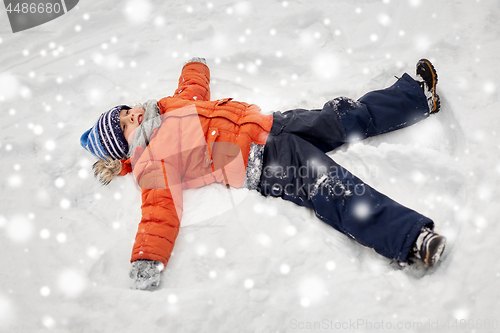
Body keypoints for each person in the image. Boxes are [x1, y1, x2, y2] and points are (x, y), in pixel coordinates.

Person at [80, 58, 446, 290]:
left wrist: (195, 67)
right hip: (262, 159)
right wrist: (147, 259)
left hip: (272, 123)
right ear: (123, 149)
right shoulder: (150, 161)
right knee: (330, 187)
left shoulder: (166, 104)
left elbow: (192, 89)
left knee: (342, 116)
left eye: (125, 112)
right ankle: (409, 239)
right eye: (124, 127)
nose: (132, 117)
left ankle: (416, 97)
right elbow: (158, 212)